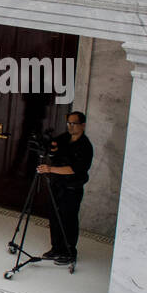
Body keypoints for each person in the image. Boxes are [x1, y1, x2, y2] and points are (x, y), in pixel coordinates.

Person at [38, 111, 93, 265]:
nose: (70, 126)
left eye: (73, 123)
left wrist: (49, 169)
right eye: (68, 123)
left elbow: (73, 169)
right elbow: (55, 151)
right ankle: (56, 248)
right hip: (57, 185)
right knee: (55, 217)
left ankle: (69, 252)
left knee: (68, 219)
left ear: (82, 125)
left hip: (72, 188)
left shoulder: (85, 146)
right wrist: (52, 148)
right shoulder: (63, 138)